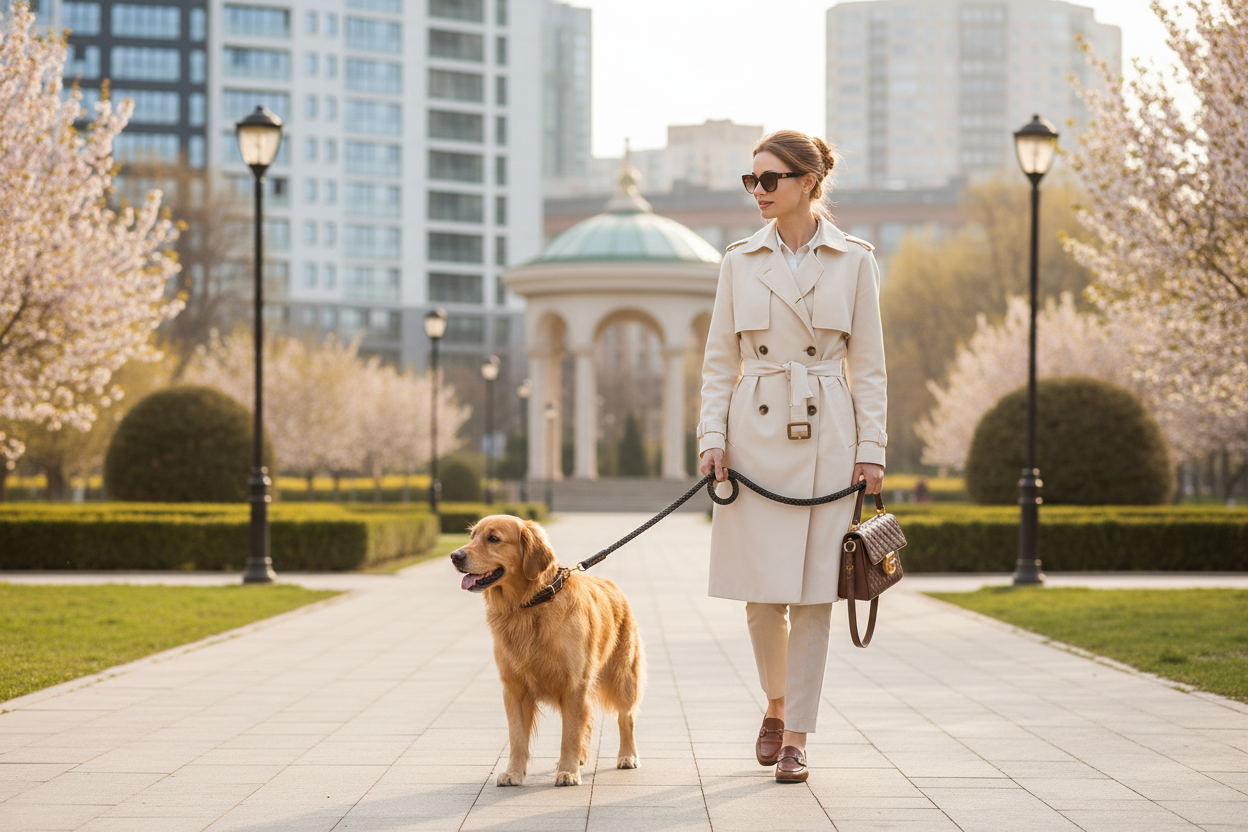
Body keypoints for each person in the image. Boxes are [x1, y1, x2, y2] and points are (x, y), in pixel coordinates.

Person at [696, 130, 887, 783]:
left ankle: (797, 737)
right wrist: (711, 438)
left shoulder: (855, 260)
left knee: (811, 596)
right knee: (760, 595)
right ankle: (775, 706)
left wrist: (872, 450)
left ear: (808, 181)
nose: (758, 191)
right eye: (751, 180)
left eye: (769, 179)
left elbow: (872, 367)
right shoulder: (738, 261)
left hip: (828, 434)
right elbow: (719, 362)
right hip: (754, 435)